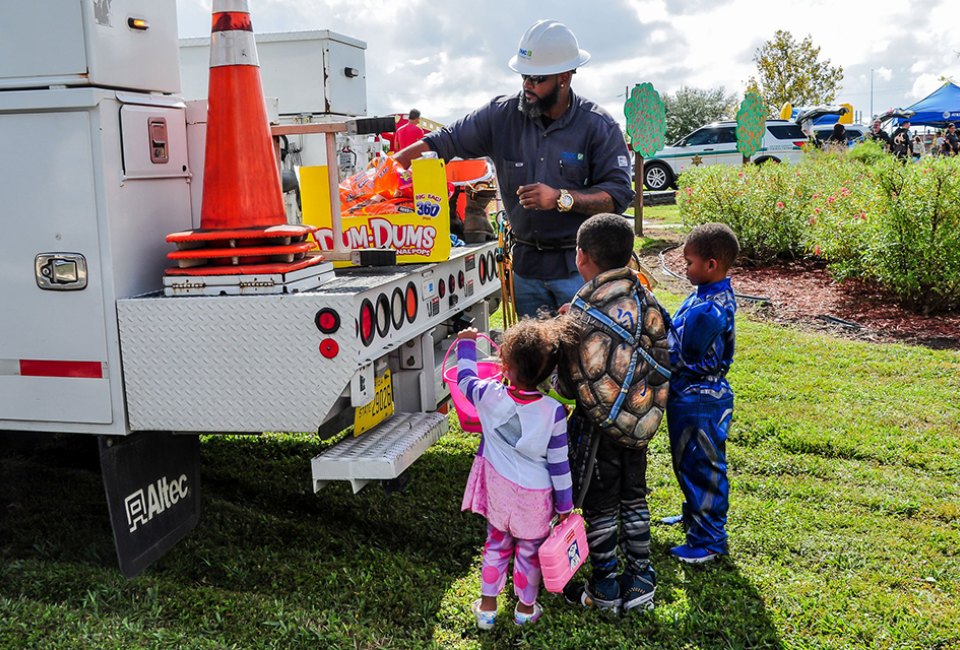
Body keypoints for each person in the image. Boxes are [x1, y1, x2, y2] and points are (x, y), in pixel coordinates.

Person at [392, 20, 634, 318]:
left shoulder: (598, 126)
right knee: (532, 359)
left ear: (563, 77)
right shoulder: (501, 115)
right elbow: (445, 141)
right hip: (526, 269)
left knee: (580, 358)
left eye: (536, 78)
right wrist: (390, 167)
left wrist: (561, 198)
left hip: (579, 270)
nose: (527, 85)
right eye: (524, 76)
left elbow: (619, 195)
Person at [558, 213, 669, 615]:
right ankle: (640, 579)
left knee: (600, 504)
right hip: (640, 423)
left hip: (597, 428)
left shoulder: (581, 311)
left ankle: (604, 585)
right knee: (634, 497)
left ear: (581, 256)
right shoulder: (647, 298)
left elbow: (568, 385)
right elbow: (661, 353)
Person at [457, 318, 575, 629]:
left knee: (496, 544)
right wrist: (565, 506)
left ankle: (487, 608)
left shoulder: (487, 395)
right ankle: (525, 609)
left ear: (505, 366)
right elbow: (559, 465)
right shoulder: (554, 412)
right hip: (535, 498)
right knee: (529, 553)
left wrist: (466, 343)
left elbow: (465, 378)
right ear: (547, 373)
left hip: (498, 490)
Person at [665, 223, 739, 564]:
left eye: (689, 261)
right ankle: (694, 518)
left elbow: (679, 353)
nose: (685, 267)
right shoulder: (706, 294)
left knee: (703, 467)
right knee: (688, 463)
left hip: (699, 399)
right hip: (691, 396)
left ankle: (709, 540)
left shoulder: (708, 310)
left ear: (711, 265)